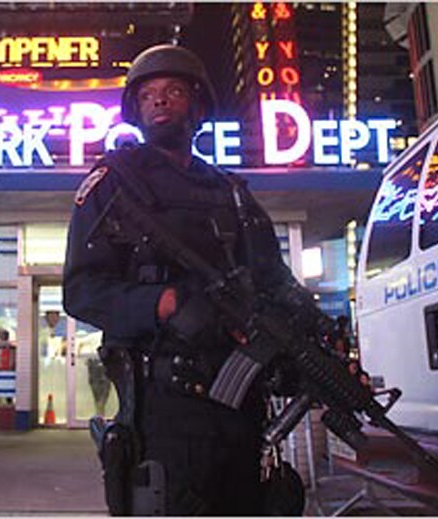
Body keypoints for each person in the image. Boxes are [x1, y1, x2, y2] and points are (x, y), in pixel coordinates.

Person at [63, 44, 302, 515]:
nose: (160, 100)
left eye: (173, 90)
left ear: (197, 105)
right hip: (164, 409)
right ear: (135, 108)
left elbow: (277, 284)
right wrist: (165, 304)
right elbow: (81, 291)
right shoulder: (114, 184)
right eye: (148, 93)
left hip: (241, 405)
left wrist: (314, 343)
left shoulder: (232, 193)